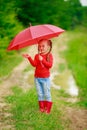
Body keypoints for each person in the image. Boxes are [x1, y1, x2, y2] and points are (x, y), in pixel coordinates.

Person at [22, 39, 53, 114]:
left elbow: (50, 65)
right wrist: (29, 57)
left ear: (48, 47)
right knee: (40, 93)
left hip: (45, 78)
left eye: (43, 46)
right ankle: (41, 108)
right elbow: (34, 64)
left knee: (47, 93)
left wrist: (43, 60)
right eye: (39, 46)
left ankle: (47, 109)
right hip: (37, 78)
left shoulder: (49, 55)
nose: (41, 48)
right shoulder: (37, 56)